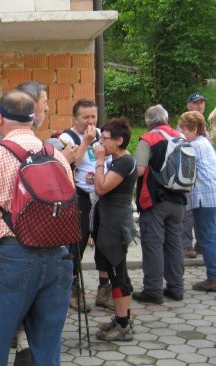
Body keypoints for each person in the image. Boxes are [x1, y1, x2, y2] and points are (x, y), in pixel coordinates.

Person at [0, 90, 73, 365]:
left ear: (0, 119)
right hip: (58, 257)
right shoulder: (56, 154)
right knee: (47, 349)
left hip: (13, 258)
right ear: (33, 119)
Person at [59, 99, 113, 312]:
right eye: (85, 117)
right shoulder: (67, 137)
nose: (90, 121)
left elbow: (110, 160)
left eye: (94, 116)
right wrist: (86, 142)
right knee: (77, 244)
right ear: (75, 118)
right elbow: (70, 163)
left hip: (101, 195)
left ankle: (104, 289)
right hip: (78, 196)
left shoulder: (102, 134)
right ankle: (73, 290)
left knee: (104, 244)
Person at [132, 104, 186, 304]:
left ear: (148, 122)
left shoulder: (149, 139)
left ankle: (153, 291)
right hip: (179, 199)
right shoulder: (180, 137)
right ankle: (176, 288)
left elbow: (138, 170)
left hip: (155, 200)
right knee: (174, 244)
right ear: (166, 118)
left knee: (153, 245)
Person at [92, 118, 138, 342]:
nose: (100, 142)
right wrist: (100, 170)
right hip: (109, 221)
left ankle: (122, 324)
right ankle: (123, 319)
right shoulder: (117, 161)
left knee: (118, 273)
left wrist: (99, 162)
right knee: (113, 271)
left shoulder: (124, 162)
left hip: (116, 225)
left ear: (119, 140)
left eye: (104, 138)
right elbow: (103, 185)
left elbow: (101, 188)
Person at [177, 112, 216, 292]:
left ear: (193, 129)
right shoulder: (204, 142)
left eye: (183, 129)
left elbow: (184, 173)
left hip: (202, 197)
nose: (181, 132)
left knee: (207, 237)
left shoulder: (193, 146)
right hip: (211, 195)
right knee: (211, 235)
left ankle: (213, 278)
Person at [182, 93, 207, 259]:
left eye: (201, 103)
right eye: (195, 103)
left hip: (204, 180)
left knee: (201, 214)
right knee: (188, 213)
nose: (199, 106)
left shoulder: (205, 127)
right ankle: (186, 246)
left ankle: (201, 244)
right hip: (190, 178)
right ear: (188, 105)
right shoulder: (185, 126)